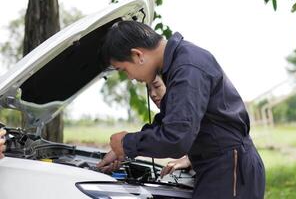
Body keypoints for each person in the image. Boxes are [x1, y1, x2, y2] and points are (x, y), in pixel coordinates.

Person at [97, 21, 265, 198]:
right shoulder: (179, 63)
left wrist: (127, 143)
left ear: (137, 54)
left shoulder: (187, 67)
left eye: (123, 70)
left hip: (230, 170)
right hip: (220, 165)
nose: (129, 77)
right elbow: (167, 123)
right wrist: (121, 150)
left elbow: (175, 138)